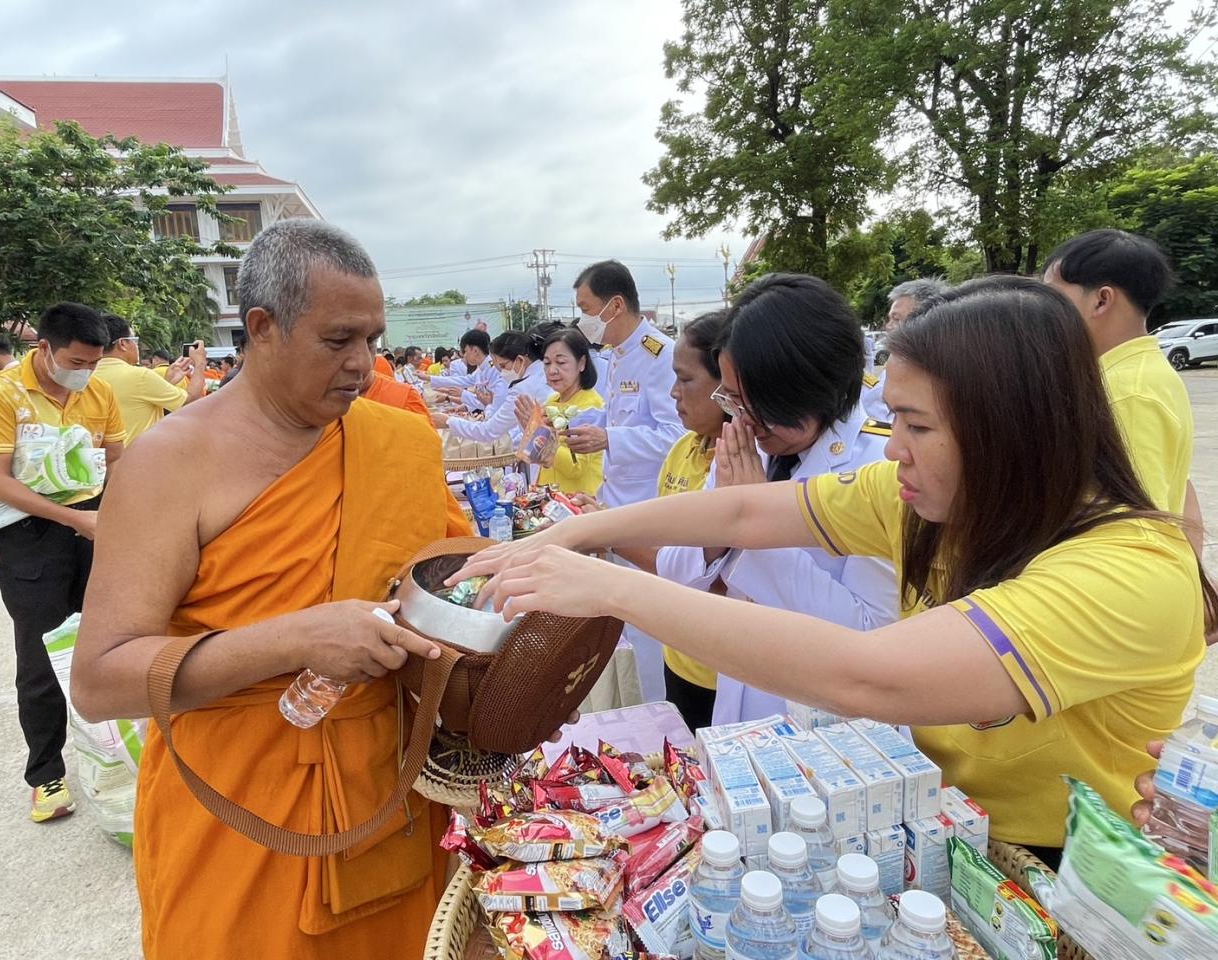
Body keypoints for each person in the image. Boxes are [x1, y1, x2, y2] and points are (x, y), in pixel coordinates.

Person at [458, 277, 1215, 868]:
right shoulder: (933, 497)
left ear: (1008, 427)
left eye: (917, 426)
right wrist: (574, 532)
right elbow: (747, 514)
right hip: (923, 818)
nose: (893, 450)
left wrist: (610, 586)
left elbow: (868, 674)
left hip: (1046, 870)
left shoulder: (1129, 573)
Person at [72, 219, 472, 959]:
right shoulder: (171, 464)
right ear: (262, 327)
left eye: (373, 341)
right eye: (337, 340)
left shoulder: (398, 441)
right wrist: (298, 638)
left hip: (390, 791)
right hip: (238, 810)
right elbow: (100, 679)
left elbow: (449, 576)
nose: (362, 365)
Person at [656, 277, 898, 726]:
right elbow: (672, 565)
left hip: (827, 724)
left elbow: (867, 632)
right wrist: (721, 530)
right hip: (739, 695)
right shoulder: (748, 444)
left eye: (756, 403)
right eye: (731, 398)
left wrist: (753, 523)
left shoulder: (879, 464)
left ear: (808, 388)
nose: (740, 416)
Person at [0, 302, 126, 823]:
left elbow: (118, 463)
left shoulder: (99, 392)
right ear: (45, 350)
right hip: (29, 537)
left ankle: (115, 759)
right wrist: (73, 519)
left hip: (95, 528)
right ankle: (46, 775)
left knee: (107, 645)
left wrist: (111, 517)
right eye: (76, 361)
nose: (84, 373)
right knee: (40, 658)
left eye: (93, 363)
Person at [613, 311, 728, 729]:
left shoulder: (750, 465)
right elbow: (664, 541)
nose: (673, 393)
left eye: (685, 379)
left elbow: (708, 576)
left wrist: (609, 535)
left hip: (728, 670)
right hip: (679, 653)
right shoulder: (683, 450)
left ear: (728, 381)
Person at [1042, 230, 1194, 518]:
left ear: (1101, 300)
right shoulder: (1133, 374)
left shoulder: (1128, 393)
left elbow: (1133, 522)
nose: (1044, 312)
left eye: (1053, 297)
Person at [571, 260, 685, 508]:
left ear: (616, 306)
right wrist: (571, 423)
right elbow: (617, 417)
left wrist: (610, 440)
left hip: (648, 501)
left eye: (586, 309)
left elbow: (679, 436)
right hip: (614, 497)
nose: (583, 320)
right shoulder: (617, 353)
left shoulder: (660, 354)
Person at [93, 317, 206, 445]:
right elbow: (189, 401)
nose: (137, 346)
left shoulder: (90, 375)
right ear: (122, 344)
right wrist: (200, 362)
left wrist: (168, 383)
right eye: (134, 340)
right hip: (138, 457)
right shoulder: (140, 376)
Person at [436, 328, 554, 440]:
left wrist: (449, 422)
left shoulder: (523, 386)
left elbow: (490, 430)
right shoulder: (542, 371)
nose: (502, 373)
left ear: (520, 360)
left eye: (503, 366)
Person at [527, 328, 605, 496]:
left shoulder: (590, 406)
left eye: (561, 363)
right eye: (547, 363)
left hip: (578, 501)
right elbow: (537, 455)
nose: (552, 370)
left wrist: (541, 435)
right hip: (550, 497)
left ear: (582, 363)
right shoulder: (552, 401)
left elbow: (576, 467)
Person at [862, 278, 951, 420]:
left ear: (927, 319)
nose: (888, 326)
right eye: (890, 319)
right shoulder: (898, 363)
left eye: (896, 319)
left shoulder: (946, 374)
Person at [423, 329, 504, 414]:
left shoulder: (494, 369)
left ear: (475, 351)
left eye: (465, 351)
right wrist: (467, 406)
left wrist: (463, 394)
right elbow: (465, 380)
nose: (464, 355)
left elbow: (494, 403)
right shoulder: (482, 368)